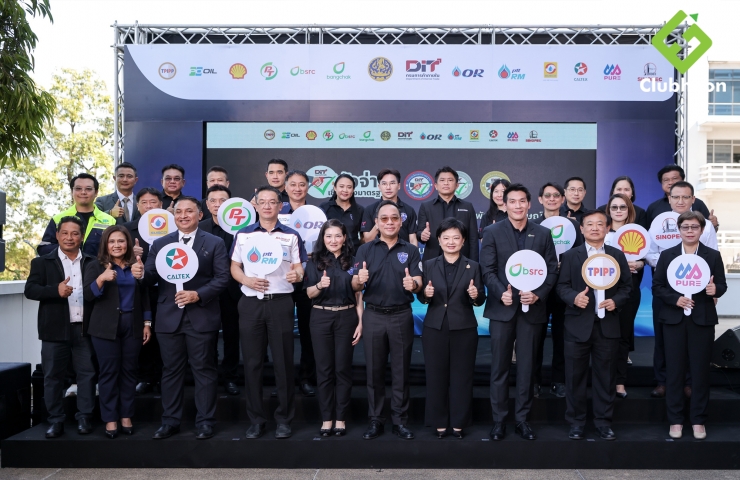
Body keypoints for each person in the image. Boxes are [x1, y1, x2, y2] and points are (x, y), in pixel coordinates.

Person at [143, 196, 230, 440]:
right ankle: (170, 421)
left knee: (204, 370)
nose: (183, 215)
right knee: (171, 371)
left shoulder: (214, 243)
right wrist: (139, 273)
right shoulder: (160, 244)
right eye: (179, 211)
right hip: (168, 317)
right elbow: (149, 277)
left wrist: (197, 295)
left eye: (189, 211)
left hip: (201, 315)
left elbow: (222, 278)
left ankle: (205, 422)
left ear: (199, 215)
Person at [480, 183, 558, 441]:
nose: (517, 205)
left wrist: (538, 294)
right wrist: (500, 292)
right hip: (502, 309)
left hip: (531, 311)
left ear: (529, 204)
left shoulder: (543, 234)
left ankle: (522, 420)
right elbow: (487, 270)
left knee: (526, 369)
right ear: (504, 205)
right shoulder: (492, 232)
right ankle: (499, 421)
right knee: (499, 368)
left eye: (522, 201)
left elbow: (552, 270)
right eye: (512, 201)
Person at [230, 186, 306, 440]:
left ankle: (284, 419)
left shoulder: (291, 235)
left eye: (272, 202)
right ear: (255, 205)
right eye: (262, 202)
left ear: (280, 206)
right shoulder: (244, 234)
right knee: (252, 363)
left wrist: (298, 275)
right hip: (251, 303)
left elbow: (299, 267)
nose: (267, 206)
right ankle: (256, 420)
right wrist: (246, 280)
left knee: (283, 363)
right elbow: (234, 266)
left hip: (280, 303)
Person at [556, 210, 632, 441]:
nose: (595, 228)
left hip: (607, 325)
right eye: (590, 224)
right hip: (577, 325)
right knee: (574, 377)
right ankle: (576, 423)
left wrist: (616, 301)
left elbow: (627, 287)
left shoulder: (617, 255)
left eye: (600, 224)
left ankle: (603, 423)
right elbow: (561, 286)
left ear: (608, 228)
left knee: (606, 377)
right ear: (581, 229)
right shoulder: (571, 256)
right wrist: (573, 298)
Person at [653, 211, 726, 440]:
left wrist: (716, 290)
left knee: (700, 371)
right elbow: (657, 286)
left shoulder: (712, 256)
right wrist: (675, 299)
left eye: (694, 227)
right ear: (679, 230)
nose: (690, 231)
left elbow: (722, 285)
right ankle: (675, 420)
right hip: (673, 319)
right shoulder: (667, 255)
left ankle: (698, 420)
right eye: (685, 227)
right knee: (674, 371)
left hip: (702, 320)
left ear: (702, 230)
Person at [353, 200, 423, 440]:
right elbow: (354, 285)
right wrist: (359, 279)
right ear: (376, 222)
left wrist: (413, 284)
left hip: (401, 315)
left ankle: (400, 421)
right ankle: (375, 420)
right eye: (384, 219)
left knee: (401, 372)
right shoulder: (365, 250)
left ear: (401, 221)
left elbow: (418, 281)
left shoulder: (411, 250)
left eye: (394, 218)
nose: (390, 222)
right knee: (374, 372)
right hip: (373, 315)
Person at [24, 216, 97, 438]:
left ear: (81, 237)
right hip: (54, 329)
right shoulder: (41, 262)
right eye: (64, 233)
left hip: (85, 329)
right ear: (57, 235)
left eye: (75, 233)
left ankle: (84, 417)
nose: (69, 238)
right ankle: (55, 420)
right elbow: (30, 290)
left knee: (87, 374)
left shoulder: (93, 262)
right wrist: (54, 291)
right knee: (52, 376)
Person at [645, 181, 718, 398]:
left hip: (697, 292)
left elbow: (712, 257)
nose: (680, 201)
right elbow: (649, 252)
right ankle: (663, 380)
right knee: (663, 337)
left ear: (693, 199)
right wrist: (670, 264)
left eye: (685, 197)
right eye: (676, 197)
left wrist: (713, 292)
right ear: (669, 199)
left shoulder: (705, 226)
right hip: (665, 291)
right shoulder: (658, 222)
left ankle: (688, 382)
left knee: (692, 341)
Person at [417, 218, 486, 439]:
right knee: (435, 376)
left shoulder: (473, 266)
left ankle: (459, 423)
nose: (451, 242)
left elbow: (480, 300)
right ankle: (439, 422)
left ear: (463, 241)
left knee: (462, 377)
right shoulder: (429, 264)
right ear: (438, 240)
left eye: (456, 237)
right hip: (435, 328)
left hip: (464, 328)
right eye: (446, 237)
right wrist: (425, 295)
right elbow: (422, 297)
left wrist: (475, 296)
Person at [83, 226, 150, 439]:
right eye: (112, 241)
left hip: (133, 323)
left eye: (121, 241)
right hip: (104, 327)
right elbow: (88, 296)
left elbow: (145, 295)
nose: (117, 245)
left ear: (127, 243)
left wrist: (147, 322)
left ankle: (126, 416)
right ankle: (110, 418)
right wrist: (101, 278)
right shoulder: (95, 265)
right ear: (105, 244)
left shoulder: (136, 265)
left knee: (129, 372)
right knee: (109, 373)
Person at [305, 219, 364, 436]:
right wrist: (320, 285)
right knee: (324, 370)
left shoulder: (354, 262)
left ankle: (340, 418)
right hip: (320, 316)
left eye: (338, 236)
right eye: (328, 236)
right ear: (323, 238)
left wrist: (360, 322)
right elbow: (309, 293)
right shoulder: (314, 261)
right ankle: (326, 418)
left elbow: (358, 294)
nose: (333, 240)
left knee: (343, 369)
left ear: (345, 238)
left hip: (347, 317)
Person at [532, 182, 583, 398]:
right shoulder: (532, 226)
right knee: (535, 337)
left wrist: (566, 266)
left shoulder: (573, 226)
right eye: (547, 195)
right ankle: (534, 381)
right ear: (540, 200)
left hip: (565, 289)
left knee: (562, 337)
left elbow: (581, 254)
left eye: (556, 195)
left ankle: (558, 381)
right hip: (539, 289)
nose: (552, 199)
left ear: (563, 199)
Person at [199, 184, 242, 396]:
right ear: (207, 205)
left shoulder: (242, 228)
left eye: (223, 201)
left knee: (232, 336)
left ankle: (230, 377)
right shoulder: (199, 228)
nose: (217, 205)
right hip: (206, 291)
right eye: (213, 201)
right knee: (208, 337)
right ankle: (210, 376)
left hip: (233, 291)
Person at [279, 170, 317, 396]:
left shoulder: (316, 214)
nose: (297, 188)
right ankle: (283, 381)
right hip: (280, 278)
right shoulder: (276, 212)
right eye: (292, 184)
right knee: (281, 333)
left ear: (307, 188)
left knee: (307, 331)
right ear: (285, 187)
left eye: (302, 184)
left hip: (308, 279)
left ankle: (306, 378)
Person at [124, 187, 163, 395]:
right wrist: (131, 254)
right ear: (138, 206)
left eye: (153, 202)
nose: (149, 206)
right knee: (143, 334)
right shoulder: (127, 230)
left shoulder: (173, 227)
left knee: (165, 334)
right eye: (144, 203)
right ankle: (146, 377)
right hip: (138, 290)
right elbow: (113, 258)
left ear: (161, 205)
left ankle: (166, 377)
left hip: (166, 289)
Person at [605, 193, 645, 398]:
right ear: (608, 210)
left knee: (622, 338)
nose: (618, 211)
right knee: (603, 339)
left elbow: (647, 258)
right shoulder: (601, 232)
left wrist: (640, 263)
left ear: (629, 210)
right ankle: (604, 381)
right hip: (602, 292)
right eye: (614, 207)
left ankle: (619, 382)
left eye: (623, 207)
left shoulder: (638, 232)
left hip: (628, 291)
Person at [38, 173, 117, 256]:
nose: (83, 192)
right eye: (78, 188)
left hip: (99, 264)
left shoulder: (110, 221)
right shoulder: (58, 219)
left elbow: (116, 249)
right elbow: (43, 248)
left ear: (96, 192)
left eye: (88, 189)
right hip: (65, 264)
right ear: (72, 191)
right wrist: (68, 249)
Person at [417, 166, 479, 261]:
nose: (446, 183)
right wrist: (422, 235)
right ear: (436, 185)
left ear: (457, 185)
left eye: (450, 180)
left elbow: (473, 239)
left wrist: (474, 264)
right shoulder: (426, 206)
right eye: (442, 180)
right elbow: (419, 232)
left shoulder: (467, 207)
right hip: (433, 259)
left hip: (462, 259)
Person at [646, 164, 717, 229]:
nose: (670, 182)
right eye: (666, 180)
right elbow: (647, 232)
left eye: (674, 178)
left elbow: (709, 231)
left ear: (682, 180)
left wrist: (714, 225)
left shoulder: (698, 204)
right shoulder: (654, 207)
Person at [360, 169, 418, 246]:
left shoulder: (409, 210)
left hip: (403, 252)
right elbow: (367, 240)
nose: (388, 187)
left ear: (399, 186)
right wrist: (379, 223)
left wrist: (414, 253)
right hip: (377, 252)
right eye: (384, 184)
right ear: (379, 186)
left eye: (392, 183)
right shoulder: (370, 210)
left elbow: (413, 239)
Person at [319, 173, 365, 255]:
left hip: (353, 255)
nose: (345, 190)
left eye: (349, 187)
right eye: (341, 186)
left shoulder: (360, 210)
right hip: (327, 255)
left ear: (353, 190)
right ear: (335, 188)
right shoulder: (324, 207)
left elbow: (363, 237)